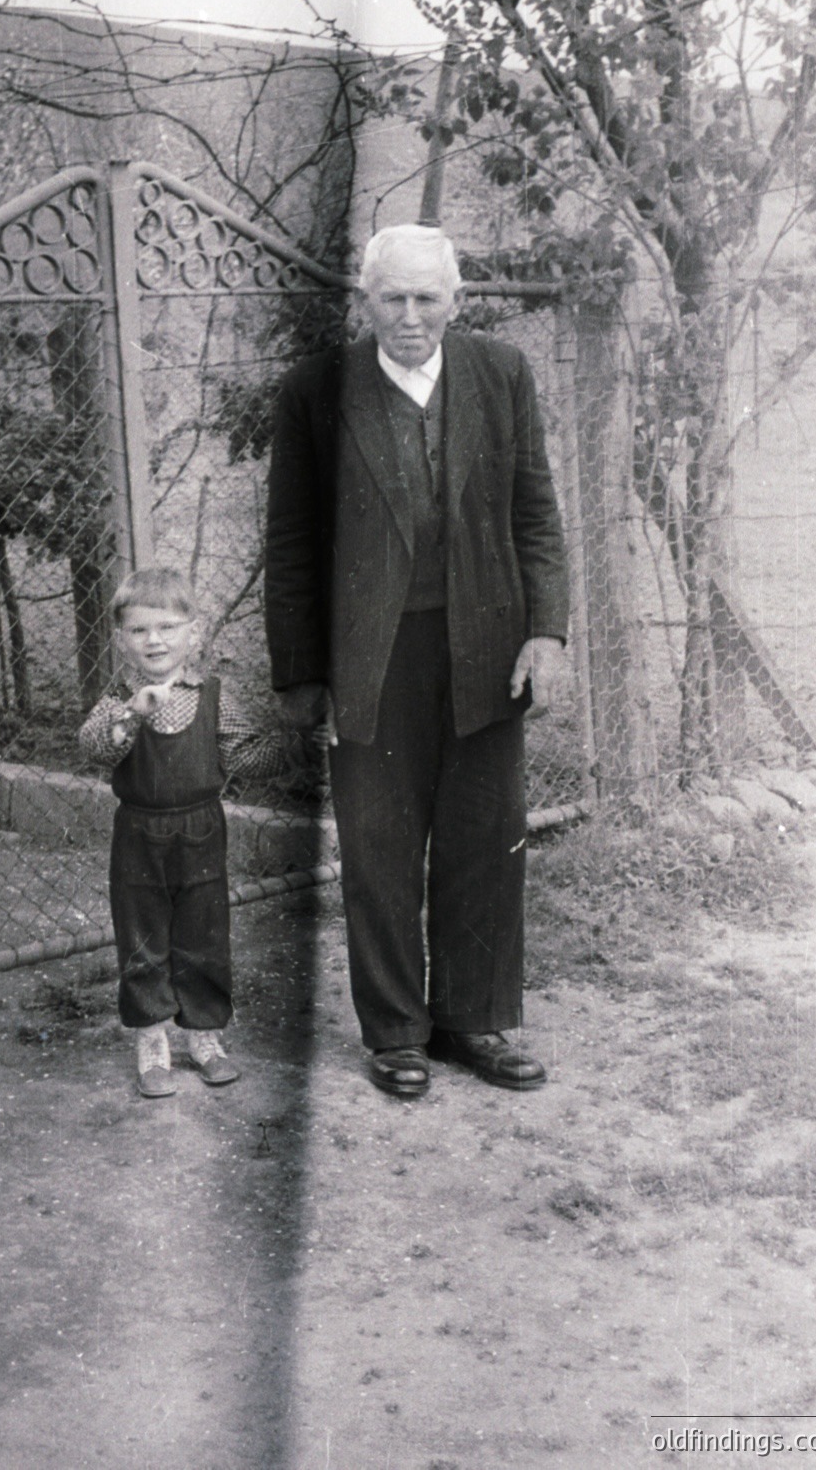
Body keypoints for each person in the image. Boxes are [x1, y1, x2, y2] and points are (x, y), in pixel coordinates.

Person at [265, 224, 570, 1099]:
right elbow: (289, 543)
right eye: (390, 298)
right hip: (371, 656)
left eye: (425, 298)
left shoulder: (500, 374)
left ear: (455, 300)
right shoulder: (316, 391)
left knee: (484, 836)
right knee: (379, 845)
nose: (408, 316)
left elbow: (535, 512)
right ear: (365, 302)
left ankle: (473, 1019)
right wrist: (302, 675)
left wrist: (544, 630)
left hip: (485, 644)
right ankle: (396, 1031)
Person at [79, 565, 289, 1099]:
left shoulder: (213, 695)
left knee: (204, 933)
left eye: (168, 627)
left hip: (201, 830)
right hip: (139, 834)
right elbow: (93, 747)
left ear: (193, 633)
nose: (155, 640)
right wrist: (130, 716)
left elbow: (249, 758)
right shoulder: (119, 696)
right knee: (142, 936)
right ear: (121, 639)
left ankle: (205, 1034)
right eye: (140, 630)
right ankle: (152, 1040)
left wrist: (295, 738)